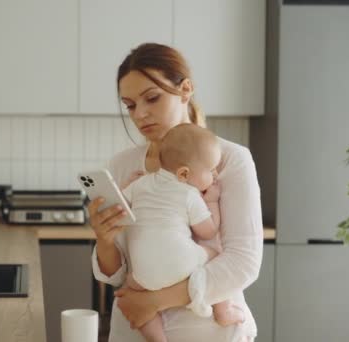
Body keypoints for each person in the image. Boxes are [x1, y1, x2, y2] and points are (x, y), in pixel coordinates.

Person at [89, 42, 263, 342]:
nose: (140, 114)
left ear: (185, 90)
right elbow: (115, 274)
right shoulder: (122, 166)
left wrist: (154, 301)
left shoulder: (230, 159)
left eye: (152, 98)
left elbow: (243, 263)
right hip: (133, 333)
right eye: (130, 105)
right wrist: (104, 239)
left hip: (209, 332)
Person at [119, 123, 244, 342]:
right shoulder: (189, 194)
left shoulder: (142, 184)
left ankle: (157, 338)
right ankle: (223, 311)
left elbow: (120, 204)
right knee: (215, 256)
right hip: (181, 264)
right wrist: (212, 200)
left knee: (132, 287)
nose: (215, 175)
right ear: (184, 173)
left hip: (143, 274)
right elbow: (208, 231)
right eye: (210, 170)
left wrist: (127, 185)